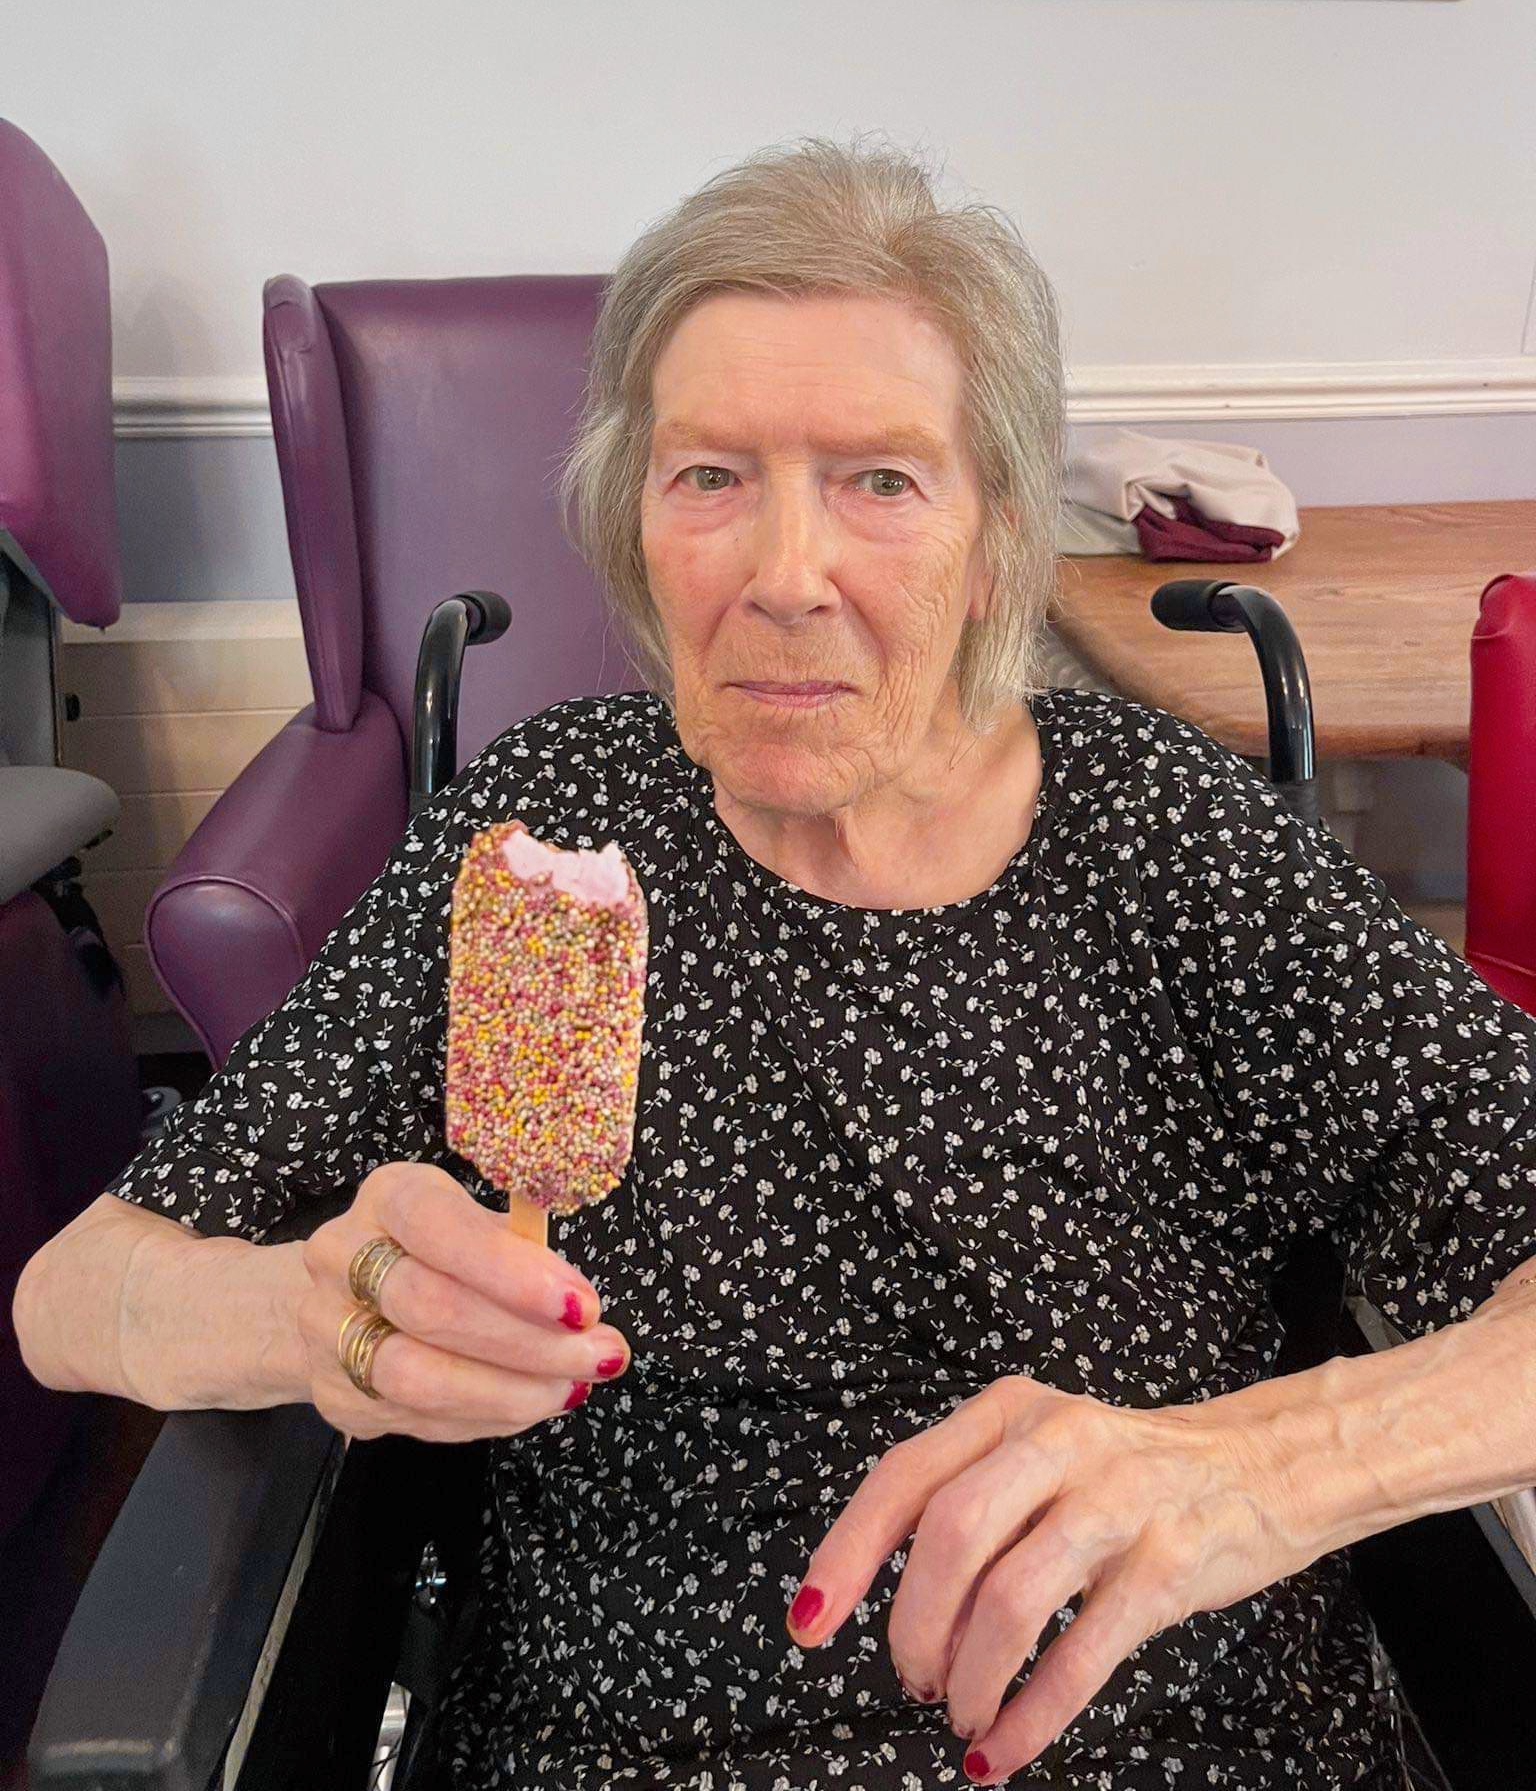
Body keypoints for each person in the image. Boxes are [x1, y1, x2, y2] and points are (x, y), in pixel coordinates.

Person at [18, 137, 1536, 1791]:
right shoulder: (553, 824)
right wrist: (316, 1316)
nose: (782, 576)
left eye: (881, 481)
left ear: (995, 535)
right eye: (710, 478)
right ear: (634, 519)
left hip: (1193, 1746)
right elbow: (74, 1295)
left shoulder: (1169, 837)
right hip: (634, 1750)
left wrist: (1276, 1462)